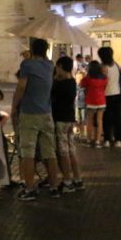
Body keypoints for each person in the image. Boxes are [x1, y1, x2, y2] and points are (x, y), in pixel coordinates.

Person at [11, 38, 61, 200]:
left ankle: (30, 188)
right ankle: (54, 187)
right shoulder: (50, 65)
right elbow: (40, 63)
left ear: (32, 50)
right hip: (46, 113)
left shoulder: (27, 65)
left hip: (29, 113)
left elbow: (21, 86)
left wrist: (14, 106)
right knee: (49, 152)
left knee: (28, 153)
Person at [51, 56, 82, 191]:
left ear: (61, 66)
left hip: (60, 120)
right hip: (70, 119)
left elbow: (52, 96)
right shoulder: (72, 82)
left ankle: (67, 181)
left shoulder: (59, 84)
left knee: (63, 152)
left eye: (57, 67)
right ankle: (77, 178)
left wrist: (54, 81)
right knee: (71, 150)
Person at [98, 47, 121, 148]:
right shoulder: (116, 65)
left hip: (106, 96)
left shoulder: (103, 67)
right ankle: (119, 139)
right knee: (117, 118)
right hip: (117, 94)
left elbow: (102, 83)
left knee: (106, 119)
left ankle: (107, 139)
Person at [80, 60, 108, 146]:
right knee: (99, 121)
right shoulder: (104, 78)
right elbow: (105, 87)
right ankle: (98, 140)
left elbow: (82, 84)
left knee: (90, 121)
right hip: (101, 101)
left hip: (91, 101)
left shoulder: (88, 78)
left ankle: (89, 139)